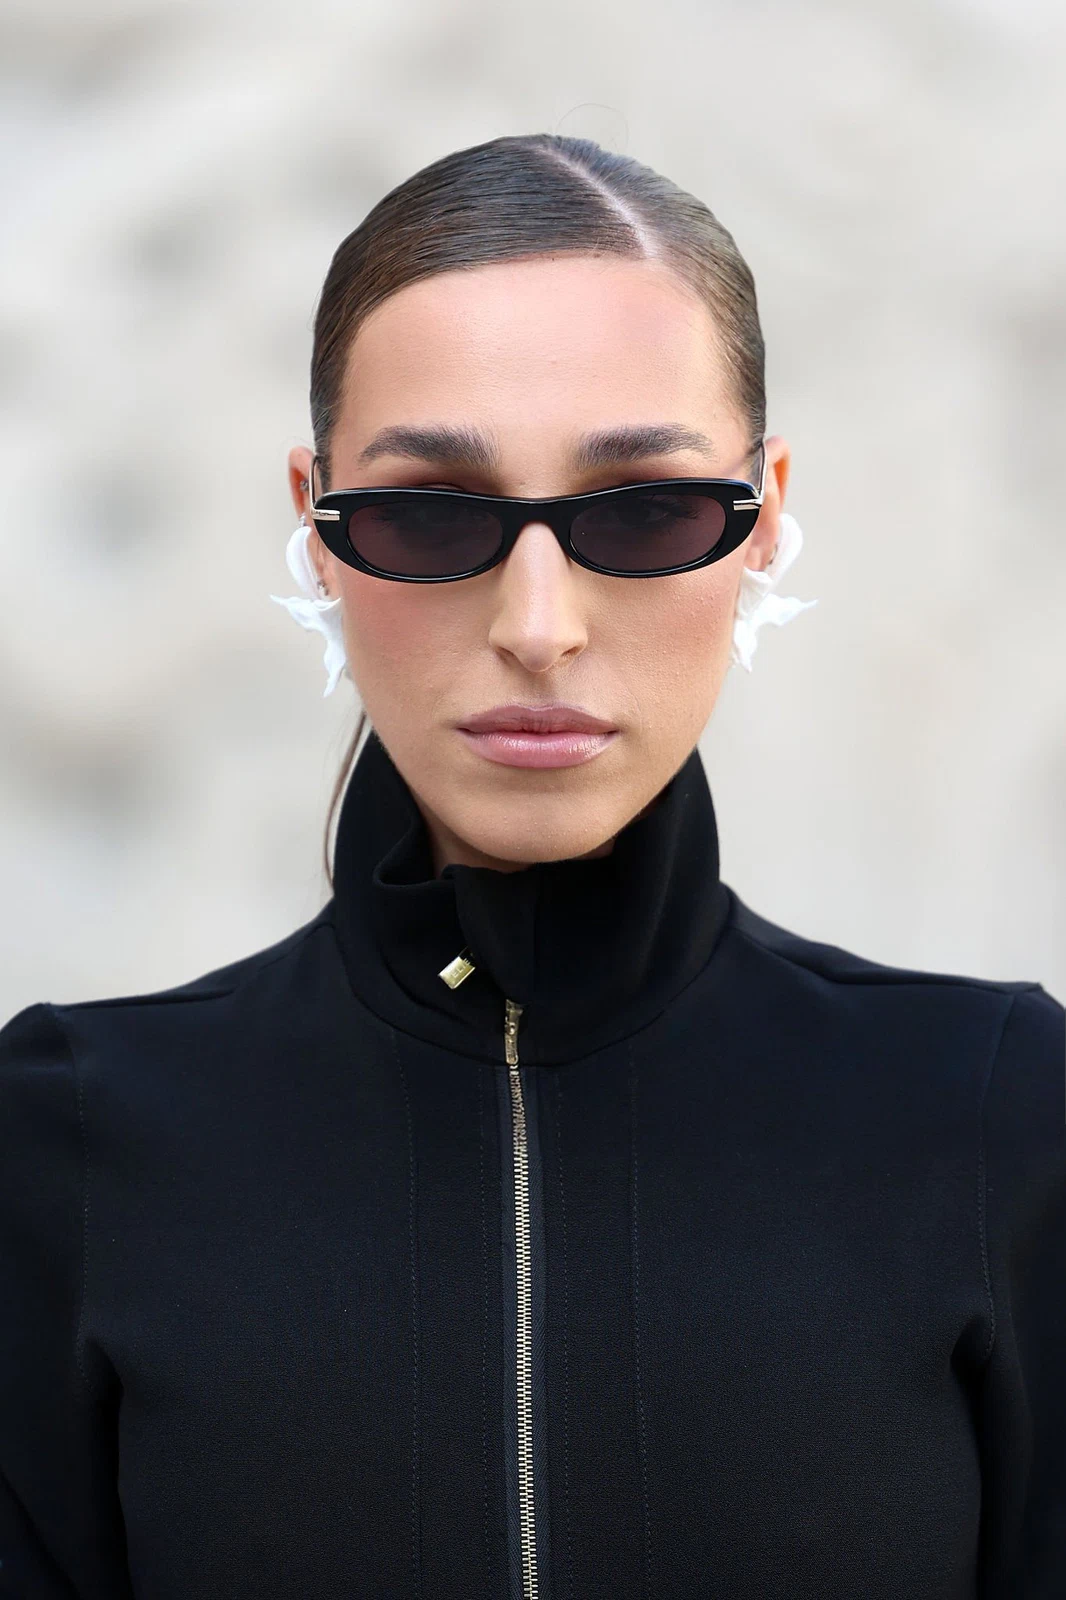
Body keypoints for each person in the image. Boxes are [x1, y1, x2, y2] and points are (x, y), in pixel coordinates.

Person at [0, 133, 1062, 1600]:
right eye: (430, 513)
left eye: (646, 509)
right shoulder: (59, 1143)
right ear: (317, 525)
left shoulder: (1003, 1116)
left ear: (763, 520)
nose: (539, 626)